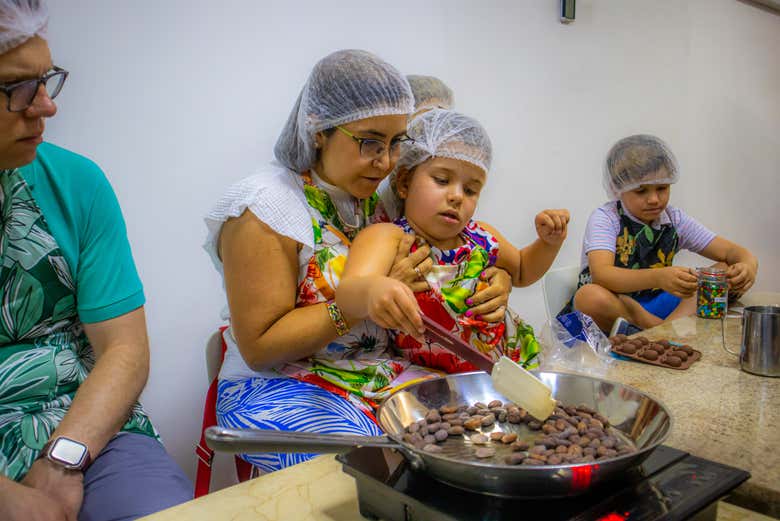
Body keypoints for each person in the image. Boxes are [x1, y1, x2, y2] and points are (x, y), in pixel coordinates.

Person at [205, 50, 513, 474]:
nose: (385, 162)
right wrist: (359, 304)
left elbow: (452, 248)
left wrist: (496, 278)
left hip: (375, 374)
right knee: (367, 473)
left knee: (488, 439)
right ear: (319, 130)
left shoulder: (374, 196)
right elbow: (260, 348)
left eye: (396, 143)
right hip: (278, 385)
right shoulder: (266, 208)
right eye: (370, 142)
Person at [0, 2, 192, 520]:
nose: (46, 106)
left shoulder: (76, 184)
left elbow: (124, 349)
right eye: (18, 87)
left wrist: (64, 460)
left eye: (46, 81)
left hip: (83, 428)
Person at [337, 109, 570, 373]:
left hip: (512, 365)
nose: (457, 196)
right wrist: (373, 290)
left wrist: (548, 243)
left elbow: (523, 270)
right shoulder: (389, 237)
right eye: (442, 180)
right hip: (431, 376)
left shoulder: (481, 236)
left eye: (470, 190)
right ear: (404, 183)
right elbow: (348, 291)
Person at [567, 134, 758, 333]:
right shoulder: (606, 218)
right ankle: (661, 329)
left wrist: (748, 266)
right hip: (618, 305)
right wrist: (658, 277)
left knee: (723, 271)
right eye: (641, 191)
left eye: (662, 188)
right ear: (618, 188)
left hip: (659, 304)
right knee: (589, 297)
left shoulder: (674, 218)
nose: (654, 199)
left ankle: (657, 328)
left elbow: (732, 253)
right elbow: (602, 275)